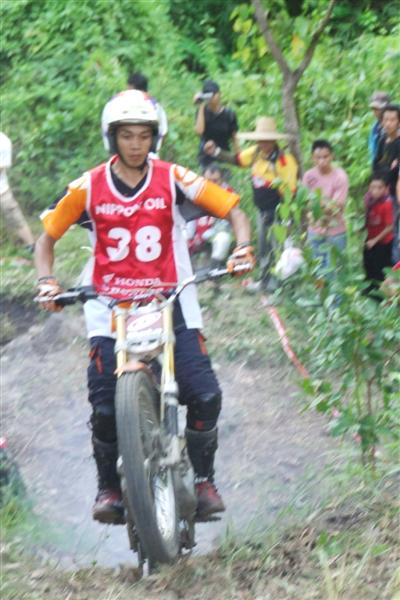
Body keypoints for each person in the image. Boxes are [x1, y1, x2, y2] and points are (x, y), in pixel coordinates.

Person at [34, 90, 255, 524]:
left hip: (170, 299)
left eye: (143, 135)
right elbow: (46, 239)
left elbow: (235, 212)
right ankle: (109, 489)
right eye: (126, 136)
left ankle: (204, 480)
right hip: (109, 305)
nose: (135, 145)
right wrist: (47, 281)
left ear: (155, 137)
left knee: (205, 394)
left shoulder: (174, 178)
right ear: (111, 138)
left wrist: (243, 248)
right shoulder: (87, 186)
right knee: (104, 408)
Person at [204, 117, 298, 292]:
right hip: (261, 210)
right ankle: (264, 281)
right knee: (263, 247)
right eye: (260, 140)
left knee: (277, 246)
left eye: (266, 140)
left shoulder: (285, 161)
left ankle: (278, 284)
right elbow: (237, 160)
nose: (262, 143)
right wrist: (216, 151)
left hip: (278, 210)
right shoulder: (255, 153)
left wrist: (286, 215)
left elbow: (291, 191)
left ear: (273, 141)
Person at [302, 139, 349, 278]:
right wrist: (321, 204)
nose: (322, 161)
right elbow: (304, 201)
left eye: (325, 157)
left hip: (335, 231)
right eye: (318, 157)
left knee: (334, 274)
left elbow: (335, 207)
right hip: (314, 230)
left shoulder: (340, 176)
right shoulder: (309, 176)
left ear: (332, 156)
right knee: (317, 273)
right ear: (312, 158)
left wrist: (316, 204)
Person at [101, 71, 168, 155]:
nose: (135, 146)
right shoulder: (155, 105)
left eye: (144, 137)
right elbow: (163, 132)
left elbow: (105, 129)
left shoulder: (112, 104)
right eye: (126, 137)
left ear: (129, 86)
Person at [186, 163, 234, 268]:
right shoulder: (196, 191)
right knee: (180, 236)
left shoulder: (229, 194)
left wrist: (204, 236)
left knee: (223, 238)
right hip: (197, 232)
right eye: (208, 180)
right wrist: (190, 237)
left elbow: (226, 224)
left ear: (221, 180)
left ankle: (213, 272)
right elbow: (190, 218)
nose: (212, 184)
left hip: (217, 232)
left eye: (215, 181)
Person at [373, 104, 400, 262]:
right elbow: (376, 165)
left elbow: (394, 172)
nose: (388, 123)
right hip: (381, 193)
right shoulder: (382, 139)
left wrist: (389, 170)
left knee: (394, 231)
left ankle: (395, 267)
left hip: (394, 194)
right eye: (386, 120)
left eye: (392, 119)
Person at [0, 132, 35, 250]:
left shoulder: (3, 141)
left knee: (14, 216)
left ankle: (31, 246)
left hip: (1, 190)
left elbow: (1, 167)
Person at [194, 80, 239, 170]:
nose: (211, 97)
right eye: (208, 95)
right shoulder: (202, 112)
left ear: (219, 94)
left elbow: (234, 138)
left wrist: (239, 157)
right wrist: (201, 105)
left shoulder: (229, 114)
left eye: (213, 94)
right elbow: (199, 131)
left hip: (224, 156)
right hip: (206, 158)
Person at [363, 174, 394, 296]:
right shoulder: (369, 200)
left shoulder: (387, 203)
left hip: (383, 242)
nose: (375, 191)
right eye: (372, 187)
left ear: (386, 188)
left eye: (379, 187)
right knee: (368, 264)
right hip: (370, 238)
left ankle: (381, 295)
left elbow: (389, 227)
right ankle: (370, 289)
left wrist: (375, 240)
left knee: (380, 269)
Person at [368, 91, 390, 163]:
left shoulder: (396, 126)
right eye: (373, 108)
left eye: (378, 108)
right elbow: (373, 152)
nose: (375, 111)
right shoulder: (375, 128)